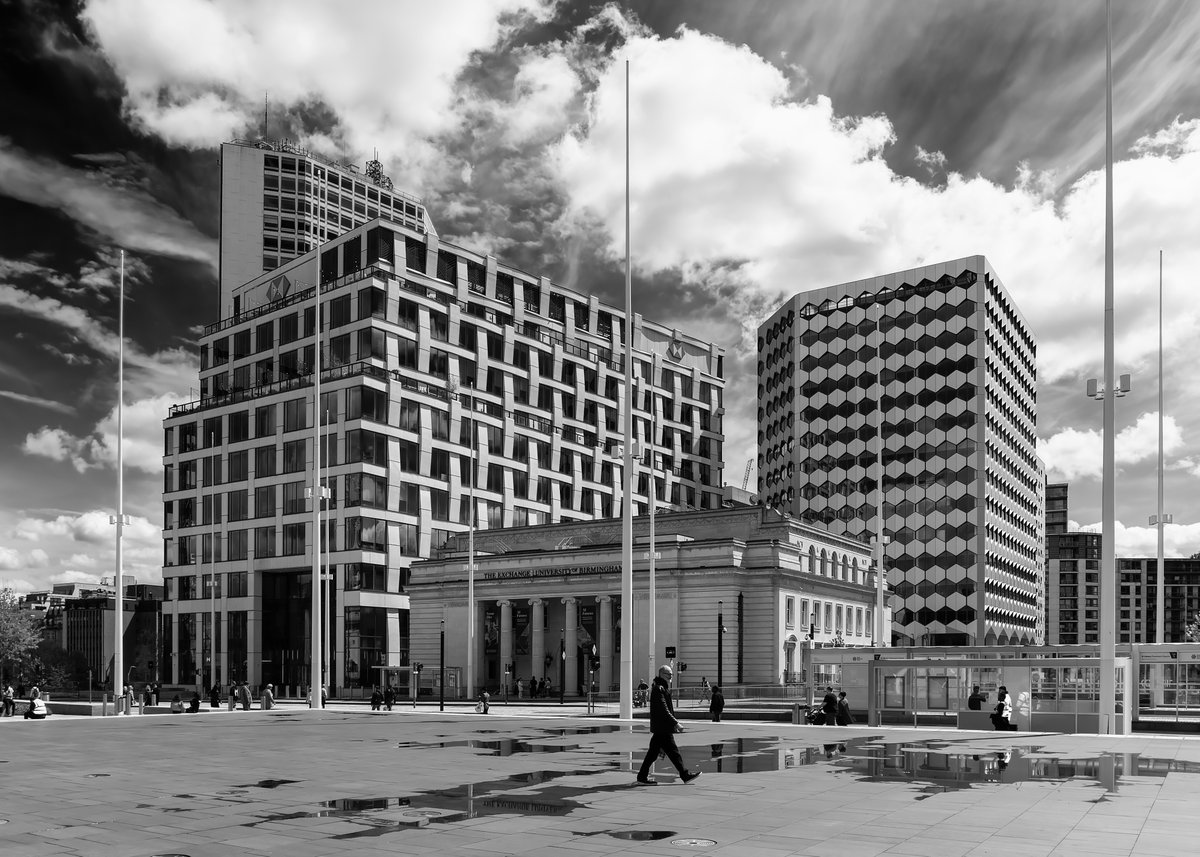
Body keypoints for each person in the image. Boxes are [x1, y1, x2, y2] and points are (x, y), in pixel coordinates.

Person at [636, 664, 701, 786]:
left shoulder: (661, 688)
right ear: (662, 675)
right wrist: (675, 723)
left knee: (654, 753)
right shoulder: (659, 689)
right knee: (673, 752)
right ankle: (684, 774)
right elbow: (663, 709)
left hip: (662, 728)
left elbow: (664, 709)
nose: (671, 677)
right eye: (669, 674)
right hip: (663, 728)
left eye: (671, 674)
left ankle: (642, 776)